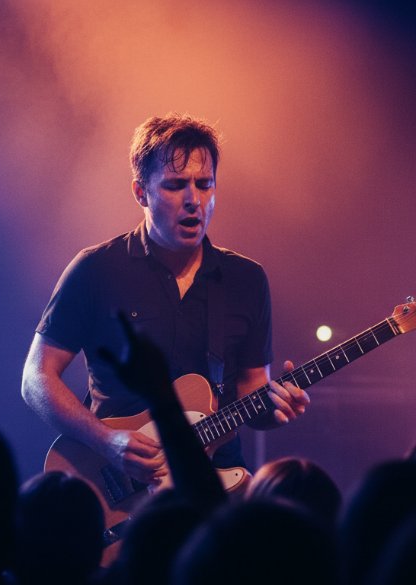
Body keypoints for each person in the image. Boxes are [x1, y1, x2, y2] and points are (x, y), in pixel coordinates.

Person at [21, 113, 310, 484]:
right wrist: (107, 441)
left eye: (204, 184)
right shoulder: (96, 268)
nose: (193, 200)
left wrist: (276, 408)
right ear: (141, 192)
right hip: (120, 486)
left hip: (216, 483)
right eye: (175, 185)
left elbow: (252, 389)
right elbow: (36, 377)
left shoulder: (246, 279)